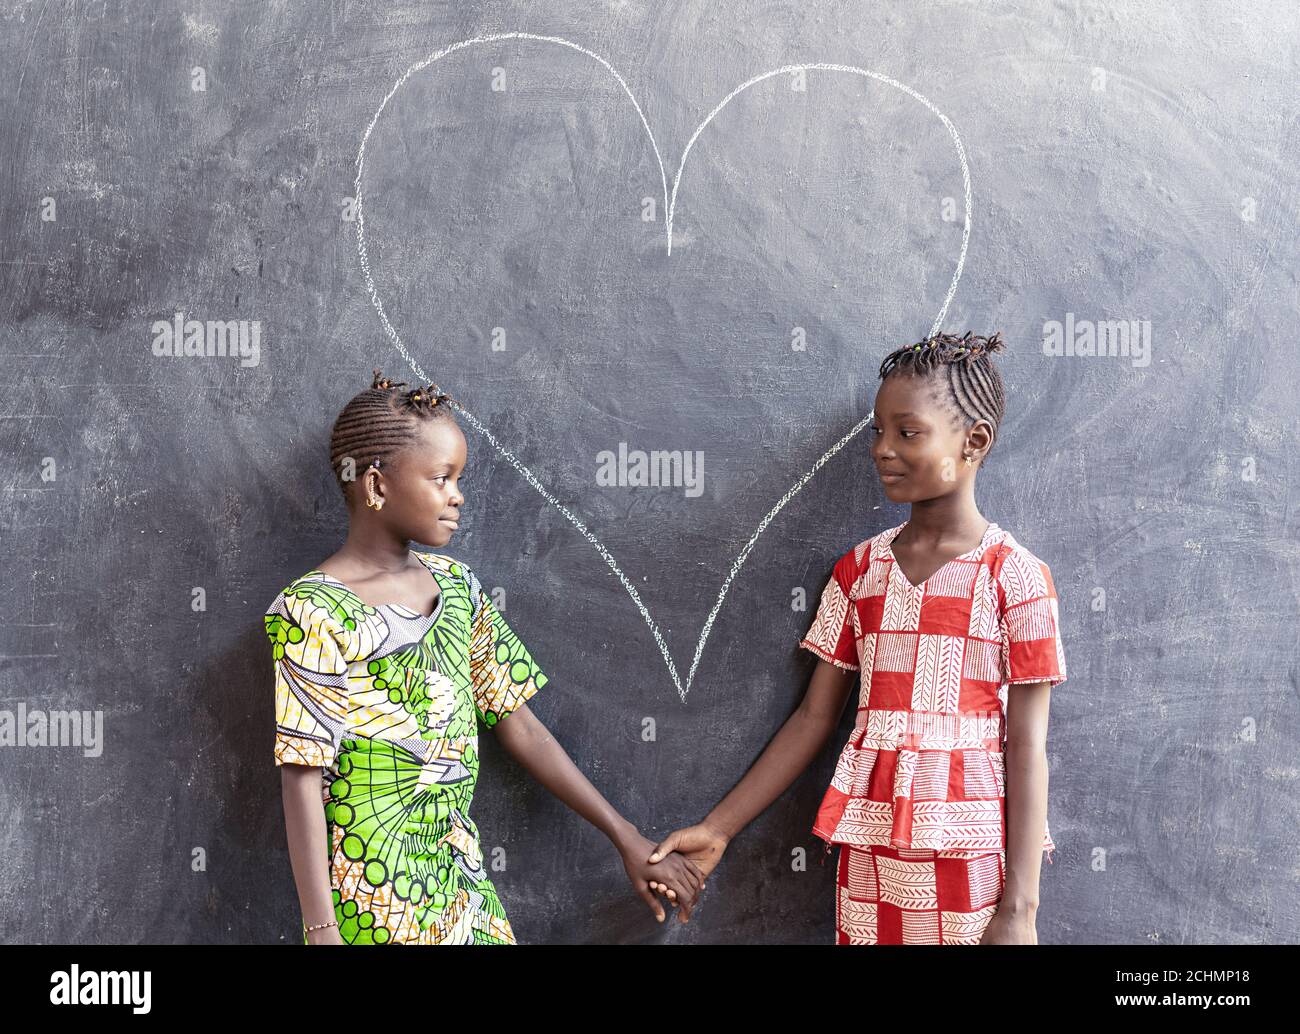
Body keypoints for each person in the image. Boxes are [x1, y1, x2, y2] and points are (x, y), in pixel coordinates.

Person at [647, 331, 1067, 944]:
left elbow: (1028, 749)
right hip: (870, 863)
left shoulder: (1017, 578)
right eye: (877, 431)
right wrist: (719, 828)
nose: (882, 450)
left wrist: (1020, 908)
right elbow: (814, 718)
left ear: (973, 442)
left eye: (908, 432)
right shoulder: (860, 573)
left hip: (972, 868)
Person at [265, 369, 704, 944]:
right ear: (376, 485)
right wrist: (321, 929)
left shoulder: (459, 589)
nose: (457, 494)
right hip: (367, 904)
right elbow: (302, 778)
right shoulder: (310, 611)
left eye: (458, 478)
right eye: (441, 478)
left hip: (463, 892)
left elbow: (520, 725)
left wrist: (626, 837)